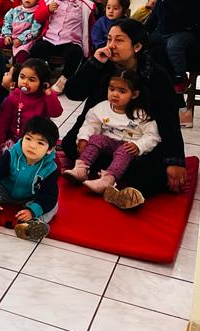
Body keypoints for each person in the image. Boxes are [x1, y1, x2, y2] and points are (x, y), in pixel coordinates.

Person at [61, 18, 187, 209]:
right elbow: (73, 93)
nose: (111, 45)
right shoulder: (102, 64)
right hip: (103, 132)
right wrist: (94, 63)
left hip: (136, 138)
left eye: (119, 40)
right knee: (71, 145)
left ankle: (118, 182)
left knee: (153, 171)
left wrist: (175, 160)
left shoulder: (156, 75)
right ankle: (111, 171)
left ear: (137, 46)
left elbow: (168, 119)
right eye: (109, 39)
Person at [64, 69, 160, 202]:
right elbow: (90, 125)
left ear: (134, 94)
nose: (115, 94)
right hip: (108, 144)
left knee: (125, 150)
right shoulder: (101, 108)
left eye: (122, 91)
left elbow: (152, 135)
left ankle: (107, 179)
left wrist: (138, 146)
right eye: (112, 89)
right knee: (96, 139)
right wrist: (83, 138)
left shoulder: (140, 114)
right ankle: (81, 169)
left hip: (129, 147)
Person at [0, 116, 60, 242]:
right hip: (5, 192)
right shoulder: (11, 154)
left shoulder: (50, 168)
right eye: (28, 139)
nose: (32, 146)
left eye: (40, 143)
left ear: (50, 149)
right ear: (22, 138)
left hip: (30, 197)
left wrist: (33, 210)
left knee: (53, 204)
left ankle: (32, 223)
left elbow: (49, 195)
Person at [28, 0, 92, 94]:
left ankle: (62, 81)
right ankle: (40, 77)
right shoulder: (48, 1)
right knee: (37, 49)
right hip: (49, 39)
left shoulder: (84, 5)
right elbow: (38, 17)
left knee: (75, 54)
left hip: (70, 42)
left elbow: (90, 24)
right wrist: (47, 10)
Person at [144, 0, 200, 84]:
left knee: (173, 46)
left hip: (182, 32)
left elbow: (177, 18)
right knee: (145, 40)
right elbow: (153, 19)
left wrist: (166, 3)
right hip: (163, 32)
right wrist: (144, 31)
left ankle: (180, 74)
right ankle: (146, 69)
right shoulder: (161, 0)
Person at [0, 58, 62, 149]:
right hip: (15, 142)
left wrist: (48, 93)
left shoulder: (45, 97)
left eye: (31, 80)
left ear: (42, 82)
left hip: (36, 141)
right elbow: (3, 122)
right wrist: (0, 142)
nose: (25, 82)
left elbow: (56, 113)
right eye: (22, 77)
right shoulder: (13, 97)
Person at [0, 0, 44, 64]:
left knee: (22, 55)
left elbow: (34, 31)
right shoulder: (15, 10)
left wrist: (21, 39)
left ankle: (17, 69)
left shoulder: (38, 13)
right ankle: (0, 64)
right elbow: (6, 23)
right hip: (10, 36)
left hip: (26, 40)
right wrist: (7, 35)